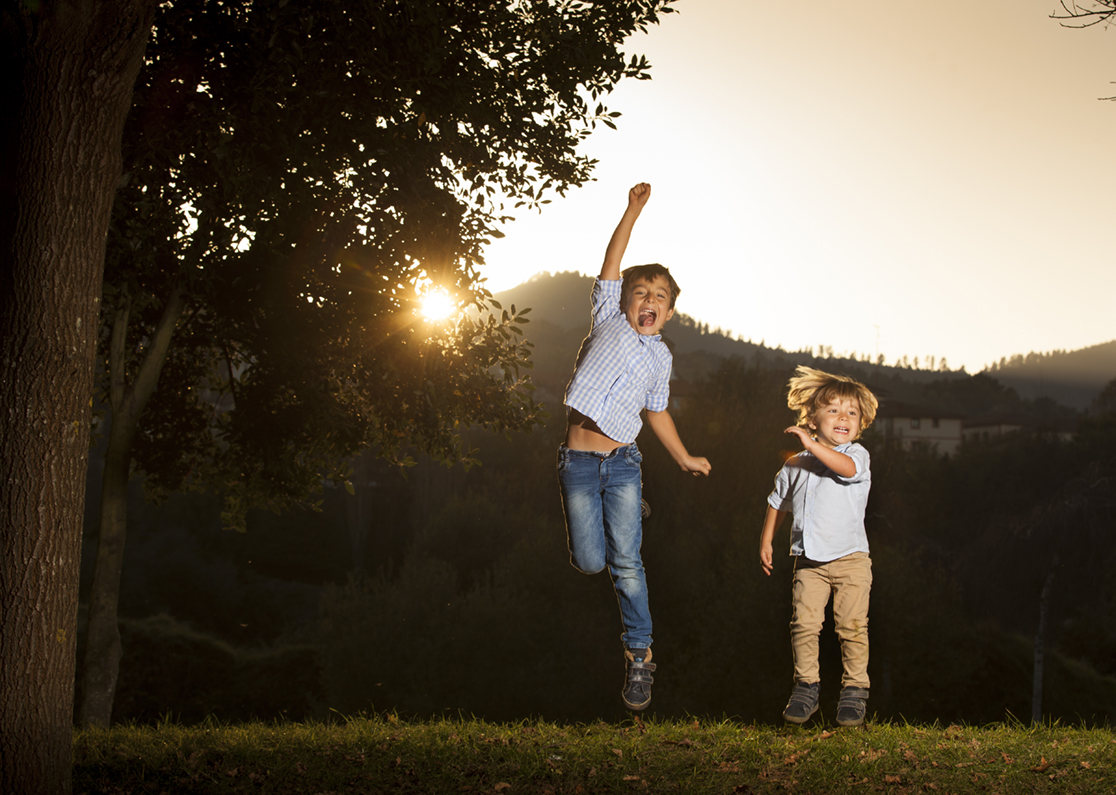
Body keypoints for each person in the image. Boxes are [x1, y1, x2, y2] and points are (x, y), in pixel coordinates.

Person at [558, 182, 711, 711]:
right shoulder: (607, 321)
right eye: (641, 293)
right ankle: (627, 514)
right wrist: (632, 211)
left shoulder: (661, 358)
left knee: (627, 564)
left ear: (669, 314)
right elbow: (612, 259)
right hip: (578, 463)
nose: (649, 301)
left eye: (660, 298)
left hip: (623, 463)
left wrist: (684, 456)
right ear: (623, 301)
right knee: (589, 561)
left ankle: (640, 657)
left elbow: (656, 410)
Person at [758, 365, 878, 727]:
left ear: (860, 424)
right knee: (804, 625)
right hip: (808, 562)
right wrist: (766, 540)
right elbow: (778, 501)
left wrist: (812, 445)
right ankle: (806, 686)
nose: (844, 417)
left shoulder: (857, 456)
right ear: (812, 418)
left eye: (852, 413)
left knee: (851, 626)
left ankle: (855, 690)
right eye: (834, 410)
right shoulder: (795, 464)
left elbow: (843, 468)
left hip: (851, 561)